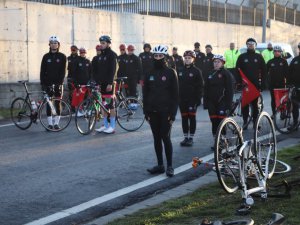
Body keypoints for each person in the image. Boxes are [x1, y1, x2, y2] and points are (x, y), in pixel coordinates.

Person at [143, 44, 179, 177]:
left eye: (160, 56)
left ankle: (169, 166)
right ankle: (160, 165)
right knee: (156, 138)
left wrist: (173, 114)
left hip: (166, 112)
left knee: (165, 137)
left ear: (165, 57)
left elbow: (175, 95)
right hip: (152, 111)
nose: (157, 58)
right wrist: (146, 112)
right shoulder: (149, 72)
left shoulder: (170, 72)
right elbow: (145, 93)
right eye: (156, 56)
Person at [203, 55, 234, 148]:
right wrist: (205, 103)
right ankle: (216, 142)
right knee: (214, 122)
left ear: (222, 63)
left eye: (218, 62)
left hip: (222, 102)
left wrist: (229, 105)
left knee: (221, 122)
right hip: (211, 102)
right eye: (215, 62)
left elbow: (230, 90)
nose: (216, 64)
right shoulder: (210, 73)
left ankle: (223, 141)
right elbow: (206, 89)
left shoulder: (226, 74)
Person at [236, 37, 266, 129]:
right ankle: (245, 122)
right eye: (249, 44)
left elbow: (264, 71)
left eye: (252, 44)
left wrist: (263, 83)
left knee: (255, 105)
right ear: (247, 45)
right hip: (245, 85)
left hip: (255, 85)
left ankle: (255, 123)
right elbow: (237, 70)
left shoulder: (259, 57)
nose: (250, 45)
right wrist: (238, 82)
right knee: (245, 105)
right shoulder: (242, 57)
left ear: (255, 46)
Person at [92, 35, 118, 134]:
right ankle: (105, 125)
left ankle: (112, 126)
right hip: (102, 84)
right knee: (103, 105)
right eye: (101, 43)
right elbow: (98, 71)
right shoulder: (101, 56)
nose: (101, 45)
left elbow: (113, 70)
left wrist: (110, 83)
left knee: (110, 105)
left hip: (109, 84)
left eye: (103, 43)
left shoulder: (112, 55)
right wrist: (97, 83)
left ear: (108, 43)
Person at [40, 35, 67, 130]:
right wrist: (43, 84)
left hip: (58, 84)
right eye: (52, 43)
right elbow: (42, 71)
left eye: (55, 43)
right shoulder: (46, 57)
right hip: (48, 84)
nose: (53, 44)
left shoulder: (62, 56)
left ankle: (56, 123)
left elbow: (63, 72)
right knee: (49, 104)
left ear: (58, 45)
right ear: (49, 44)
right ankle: (50, 124)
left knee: (57, 103)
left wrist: (59, 83)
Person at [178, 50, 204, 147]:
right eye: (186, 58)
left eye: (189, 58)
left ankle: (191, 138)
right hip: (182, 99)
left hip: (192, 99)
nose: (187, 60)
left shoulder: (197, 71)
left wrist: (198, 99)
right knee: (184, 118)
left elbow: (200, 86)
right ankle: (185, 137)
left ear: (193, 59)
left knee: (191, 118)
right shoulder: (180, 70)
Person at [266, 45, 288, 115]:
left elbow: (287, 73)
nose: (277, 53)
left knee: (282, 99)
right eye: (275, 51)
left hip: (281, 83)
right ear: (273, 52)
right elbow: (265, 73)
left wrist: (288, 82)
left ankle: (282, 112)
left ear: (281, 52)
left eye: (278, 51)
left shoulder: (284, 61)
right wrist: (266, 82)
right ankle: (274, 113)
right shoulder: (270, 62)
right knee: (273, 100)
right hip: (272, 84)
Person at [287, 43, 300, 129]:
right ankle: (295, 123)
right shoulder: (295, 60)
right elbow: (289, 72)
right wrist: (289, 83)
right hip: (295, 86)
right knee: (295, 105)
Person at [67, 45, 79, 112]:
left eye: (75, 50)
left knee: (78, 93)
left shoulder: (79, 58)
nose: (73, 51)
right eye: (72, 50)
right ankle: (72, 108)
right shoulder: (68, 58)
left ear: (77, 50)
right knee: (71, 94)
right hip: (70, 78)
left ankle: (79, 107)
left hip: (78, 78)